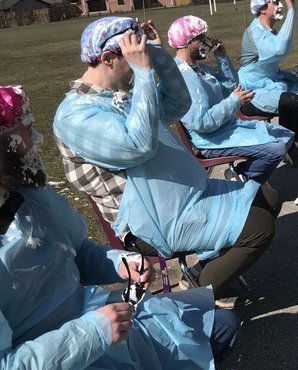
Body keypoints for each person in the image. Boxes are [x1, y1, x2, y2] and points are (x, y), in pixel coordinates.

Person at [0, 83, 241, 370]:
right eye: (22, 131)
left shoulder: (27, 194)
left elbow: (78, 251)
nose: (35, 139)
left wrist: (119, 262)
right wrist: (92, 332)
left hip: (87, 332)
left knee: (217, 328)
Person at [53, 16, 282, 300]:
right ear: (109, 58)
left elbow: (178, 104)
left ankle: (206, 270)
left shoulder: (120, 94)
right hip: (150, 222)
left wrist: (159, 56)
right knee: (260, 229)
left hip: (181, 196)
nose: (138, 67)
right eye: (132, 58)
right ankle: (197, 294)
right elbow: (138, 146)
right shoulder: (74, 116)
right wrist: (145, 73)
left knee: (269, 198)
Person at [167, 14, 294, 183]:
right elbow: (200, 123)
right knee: (276, 149)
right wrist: (234, 101)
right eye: (201, 38)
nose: (206, 43)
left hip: (228, 128)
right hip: (211, 140)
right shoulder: (184, 77)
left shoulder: (199, 68)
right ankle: (244, 178)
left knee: (285, 136)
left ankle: (243, 177)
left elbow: (230, 88)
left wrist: (222, 58)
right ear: (186, 42)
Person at [238, 0, 298, 164]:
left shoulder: (268, 31)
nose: (279, 6)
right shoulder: (255, 32)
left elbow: (271, 68)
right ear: (262, 8)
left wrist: (292, 76)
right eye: (275, 2)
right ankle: (288, 149)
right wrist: (292, 9)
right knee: (290, 101)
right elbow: (279, 49)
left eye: (279, 2)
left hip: (269, 82)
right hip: (251, 92)